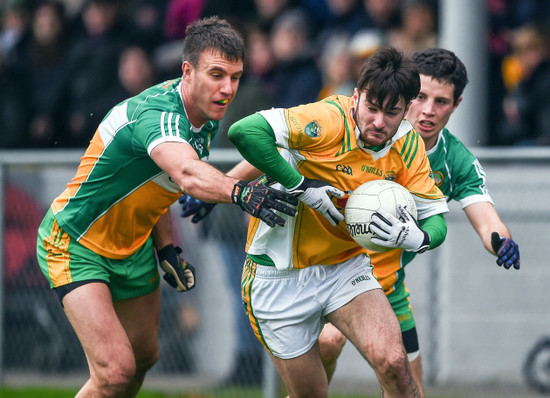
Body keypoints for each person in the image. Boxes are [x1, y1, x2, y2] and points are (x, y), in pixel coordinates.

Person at [35, 16, 297, 398]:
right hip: (76, 242)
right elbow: (188, 174)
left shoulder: (203, 117)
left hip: (134, 246)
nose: (227, 89)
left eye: (236, 77)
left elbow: (159, 187)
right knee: (114, 371)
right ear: (187, 71)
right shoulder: (160, 116)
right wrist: (242, 193)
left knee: (144, 356)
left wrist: (166, 248)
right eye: (217, 74)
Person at [184, 47, 449, 397]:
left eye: (392, 112)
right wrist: (301, 186)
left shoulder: (407, 143)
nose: (379, 122)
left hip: (346, 268)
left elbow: (436, 218)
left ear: (406, 111)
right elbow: (245, 132)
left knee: (394, 363)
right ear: (356, 97)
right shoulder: (325, 119)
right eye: (371, 108)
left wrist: (420, 238)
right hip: (277, 275)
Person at [317, 47, 521, 397]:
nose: (428, 110)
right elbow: (286, 138)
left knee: (411, 389)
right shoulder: (368, 126)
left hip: (389, 286)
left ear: (456, 105)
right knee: (329, 342)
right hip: (331, 272)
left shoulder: (456, 161)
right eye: (421, 97)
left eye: (441, 101)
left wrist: (501, 242)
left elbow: (487, 218)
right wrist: (230, 184)